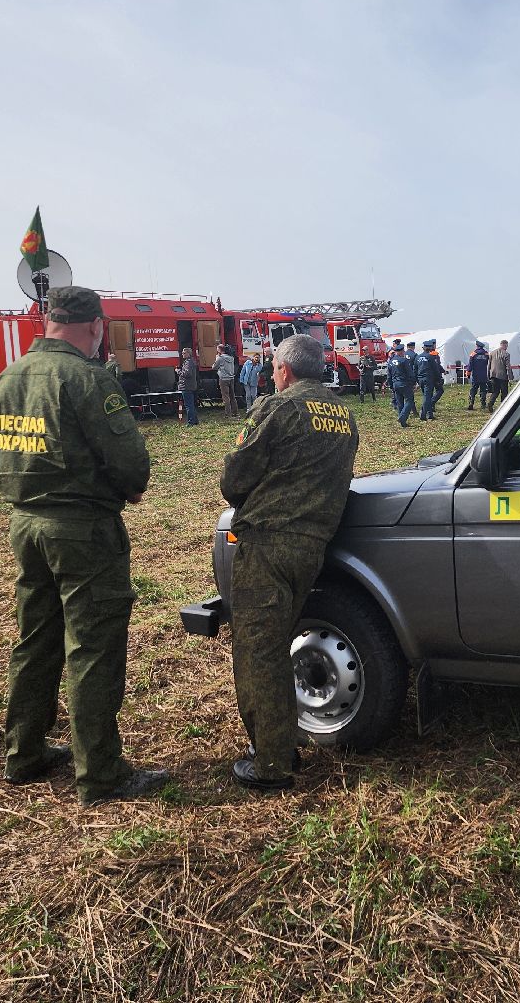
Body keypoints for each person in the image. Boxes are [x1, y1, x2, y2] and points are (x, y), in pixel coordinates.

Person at [0, 285, 168, 807]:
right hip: (82, 531)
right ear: (96, 327)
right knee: (92, 646)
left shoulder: (9, 377)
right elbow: (132, 466)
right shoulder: (88, 379)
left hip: (25, 525)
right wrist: (124, 488)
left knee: (35, 639)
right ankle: (101, 774)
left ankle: (24, 753)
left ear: (48, 321)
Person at [219, 334, 360, 791]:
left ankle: (272, 764)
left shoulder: (278, 408)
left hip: (268, 545)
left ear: (284, 370)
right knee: (277, 644)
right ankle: (282, 744)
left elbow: (234, 480)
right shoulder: (344, 415)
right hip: (313, 546)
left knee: (260, 652)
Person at [385, 339, 416, 427]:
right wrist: (413, 383)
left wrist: (391, 386)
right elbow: (410, 373)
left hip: (395, 384)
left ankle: (403, 422)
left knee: (400, 403)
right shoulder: (404, 361)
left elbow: (389, 376)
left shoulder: (390, 362)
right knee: (409, 401)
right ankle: (402, 417)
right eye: (403, 351)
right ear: (401, 351)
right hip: (404, 384)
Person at [418, 339, 444, 421]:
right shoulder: (433, 355)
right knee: (434, 393)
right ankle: (426, 410)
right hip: (432, 378)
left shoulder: (419, 357)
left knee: (427, 396)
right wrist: (439, 377)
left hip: (421, 378)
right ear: (432, 346)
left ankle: (430, 414)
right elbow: (436, 367)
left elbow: (415, 368)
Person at [486, 339, 514, 412]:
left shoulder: (492, 353)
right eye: (507, 346)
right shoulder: (506, 354)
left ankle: (490, 403)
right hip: (502, 376)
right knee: (504, 392)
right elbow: (508, 366)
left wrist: (488, 375)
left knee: (495, 391)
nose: (507, 347)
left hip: (493, 375)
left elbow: (489, 365)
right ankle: (503, 407)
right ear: (505, 345)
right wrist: (510, 377)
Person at [213, 344, 238, 417]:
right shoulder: (231, 357)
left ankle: (228, 414)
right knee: (232, 396)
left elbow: (214, 367)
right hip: (231, 378)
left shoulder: (220, 358)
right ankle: (235, 412)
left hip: (223, 379)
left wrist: (217, 358)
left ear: (219, 350)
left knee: (225, 397)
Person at [178, 347, 199, 425]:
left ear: (188, 354)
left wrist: (178, 371)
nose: (182, 354)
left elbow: (187, 374)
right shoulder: (191, 361)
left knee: (189, 405)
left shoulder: (188, 362)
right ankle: (195, 421)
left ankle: (191, 422)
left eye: (184, 353)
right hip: (190, 385)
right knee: (192, 405)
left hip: (186, 386)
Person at [466, 342, 489, 410]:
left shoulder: (473, 354)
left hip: (475, 375)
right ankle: (483, 404)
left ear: (477, 346)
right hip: (484, 375)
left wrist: (468, 374)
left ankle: (471, 403)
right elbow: (489, 363)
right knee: (483, 390)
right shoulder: (486, 354)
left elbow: (470, 365)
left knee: (473, 389)